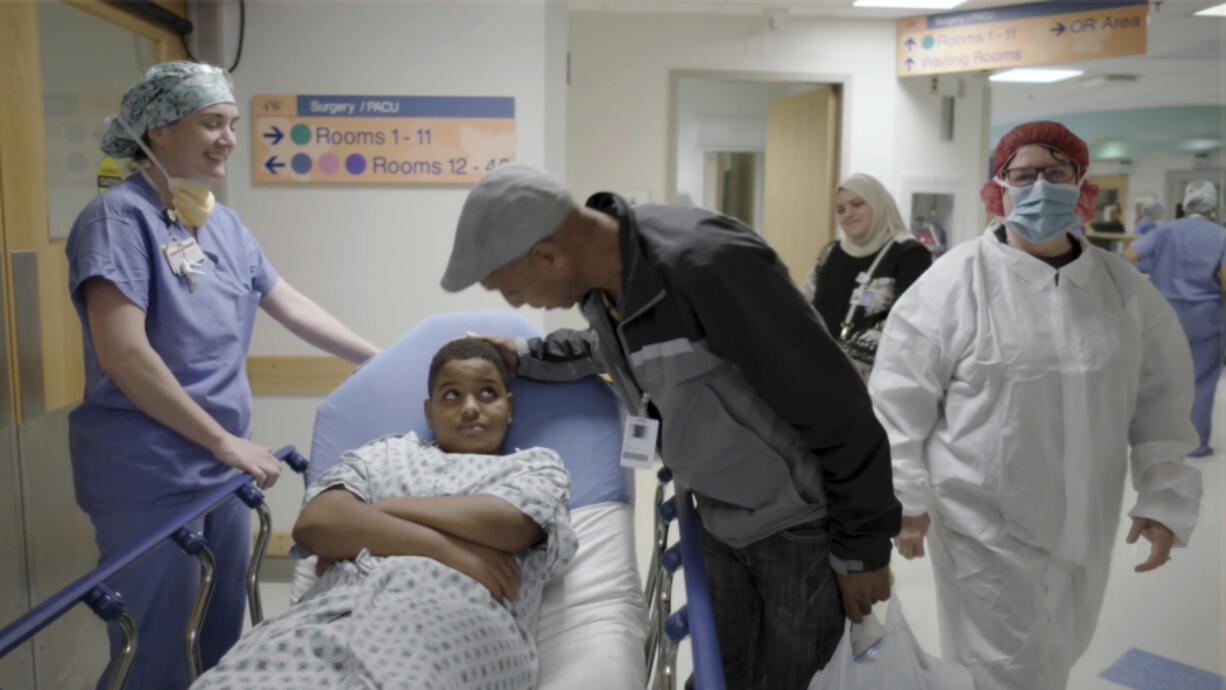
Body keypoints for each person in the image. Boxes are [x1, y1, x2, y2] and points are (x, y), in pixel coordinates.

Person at [440, 164, 899, 689]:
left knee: (794, 680)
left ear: (546, 254)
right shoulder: (606, 277)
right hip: (720, 513)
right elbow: (624, 348)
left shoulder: (706, 264)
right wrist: (525, 356)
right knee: (725, 674)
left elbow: (834, 399)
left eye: (510, 290)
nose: (516, 305)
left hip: (795, 526)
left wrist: (863, 547)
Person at [66, 61, 380, 689]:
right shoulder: (116, 221)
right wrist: (220, 439)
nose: (229, 139)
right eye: (211, 122)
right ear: (157, 131)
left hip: (225, 470)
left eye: (233, 124)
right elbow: (123, 354)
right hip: (151, 470)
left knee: (216, 645)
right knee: (152, 653)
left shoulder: (218, 223)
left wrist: (383, 362)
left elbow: (291, 304)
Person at [869, 121, 1202, 690]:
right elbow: (899, 401)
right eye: (1023, 176)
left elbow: (1162, 401)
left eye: (1056, 173)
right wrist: (906, 500)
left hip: (1086, 518)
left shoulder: (1123, 291)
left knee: (1060, 650)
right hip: (982, 520)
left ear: (1081, 184)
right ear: (999, 188)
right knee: (1006, 667)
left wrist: (1163, 496)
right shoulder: (953, 283)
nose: (1040, 187)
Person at [190, 338, 576, 689]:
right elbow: (318, 522)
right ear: (429, 411)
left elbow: (510, 524)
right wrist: (454, 553)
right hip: (336, 614)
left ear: (509, 407)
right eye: (452, 395)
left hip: (462, 624)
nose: (470, 407)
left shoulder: (535, 468)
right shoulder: (385, 455)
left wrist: (385, 510)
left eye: (487, 393)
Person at [1126, 180, 1226, 458]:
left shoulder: (1165, 230)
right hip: (1205, 316)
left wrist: (1158, 268)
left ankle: (1157, 440)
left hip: (1164, 314)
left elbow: (1130, 254)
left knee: (1160, 377)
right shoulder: (1221, 235)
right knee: (1202, 380)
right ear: (1212, 204)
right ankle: (1196, 444)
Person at [800, 174, 931, 379]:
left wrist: (841, 364)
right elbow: (802, 306)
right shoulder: (830, 253)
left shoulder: (909, 255)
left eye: (857, 204)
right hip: (819, 373)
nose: (848, 214)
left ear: (878, 204)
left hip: (878, 381)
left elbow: (905, 321)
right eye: (841, 210)